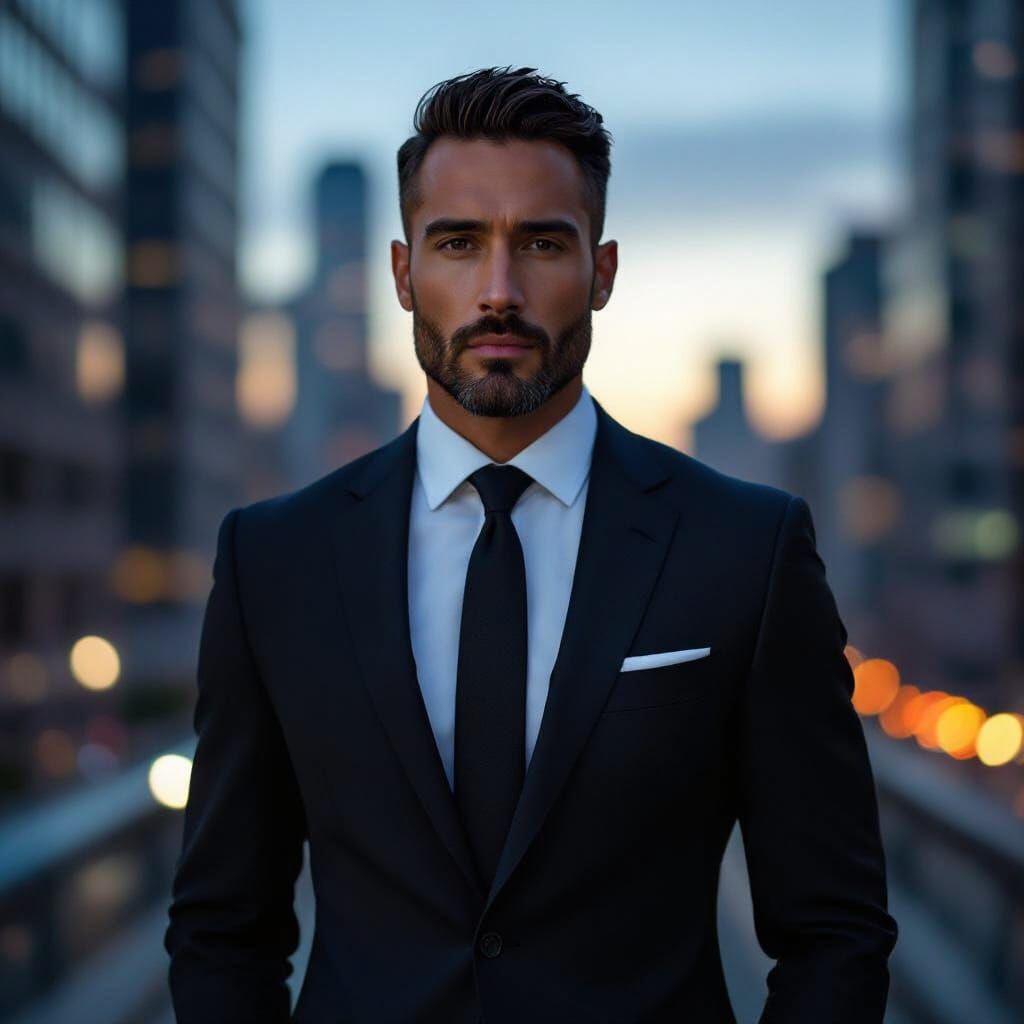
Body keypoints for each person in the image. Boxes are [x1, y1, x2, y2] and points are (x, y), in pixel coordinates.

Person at [164, 66, 898, 1023]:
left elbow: (835, 929)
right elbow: (223, 926)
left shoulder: (746, 549)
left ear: (601, 271)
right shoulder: (275, 561)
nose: (498, 292)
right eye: (459, 243)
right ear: (402, 273)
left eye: (543, 243)